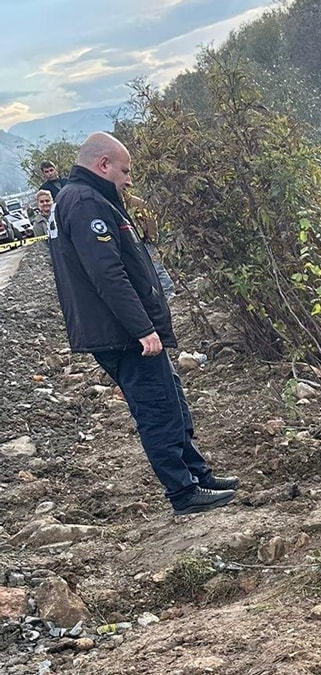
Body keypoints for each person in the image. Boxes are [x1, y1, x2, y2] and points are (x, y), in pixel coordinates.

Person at [46, 132, 239, 515]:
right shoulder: (85, 202)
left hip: (121, 331)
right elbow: (108, 274)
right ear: (103, 164)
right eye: (125, 171)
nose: (129, 180)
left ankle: (198, 474)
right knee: (158, 411)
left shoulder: (84, 197)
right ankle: (183, 493)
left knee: (172, 401)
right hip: (122, 335)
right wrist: (142, 329)